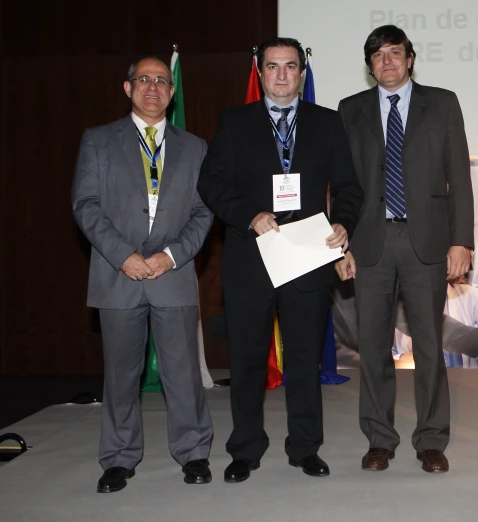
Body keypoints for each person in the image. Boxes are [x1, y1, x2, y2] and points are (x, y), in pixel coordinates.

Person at [197, 38, 363, 483]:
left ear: (302, 74)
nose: (283, 75)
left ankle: (305, 448)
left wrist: (344, 222)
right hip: (251, 256)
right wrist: (248, 215)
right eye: (273, 67)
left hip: (308, 257)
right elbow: (211, 185)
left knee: (305, 359)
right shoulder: (235, 123)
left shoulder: (327, 123)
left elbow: (349, 186)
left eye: (291, 67)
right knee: (248, 358)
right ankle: (245, 449)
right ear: (260, 72)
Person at [335, 25, 474, 473]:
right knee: (372, 345)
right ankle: (379, 437)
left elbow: (460, 176)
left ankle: (432, 439)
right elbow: (342, 185)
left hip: (427, 241)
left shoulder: (444, 102)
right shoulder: (350, 109)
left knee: (430, 345)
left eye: (395, 53)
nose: (387, 61)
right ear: (369, 64)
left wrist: (461, 240)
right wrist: (340, 245)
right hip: (369, 242)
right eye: (377, 55)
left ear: (410, 58)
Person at [72, 57, 214, 492]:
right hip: (119, 274)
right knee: (120, 374)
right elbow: (85, 205)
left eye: (162, 82)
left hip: (173, 272)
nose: (153, 87)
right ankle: (118, 458)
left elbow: (204, 211)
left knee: (183, 373)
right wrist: (123, 256)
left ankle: (193, 453)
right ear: (128, 88)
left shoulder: (195, 147)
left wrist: (172, 256)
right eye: (144, 80)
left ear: (172, 94)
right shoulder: (97, 141)